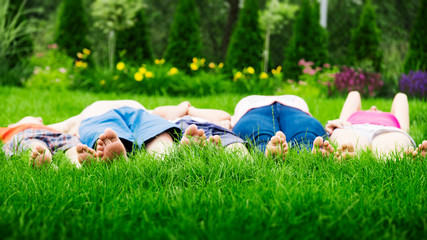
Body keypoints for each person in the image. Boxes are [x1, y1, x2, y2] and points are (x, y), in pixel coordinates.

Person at [49, 100, 183, 162]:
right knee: (105, 134)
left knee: (158, 128)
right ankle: (117, 157)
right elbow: (60, 126)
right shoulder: (83, 115)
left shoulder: (89, 110)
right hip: (99, 116)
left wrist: (184, 107)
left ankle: (162, 156)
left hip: (139, 113)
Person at [325, 91, 426, 158]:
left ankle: (399, 161)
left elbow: (401, 98)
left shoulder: (392, 118)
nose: (373, 107)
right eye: (370, 109)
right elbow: (353, 95)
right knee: (347, 142)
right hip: (353, 128)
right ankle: (346, 156)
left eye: (377, 109)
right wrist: (331, 126)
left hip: (388, 131)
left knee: (390, 148)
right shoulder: (350, 118)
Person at [231, 95, 334, 158]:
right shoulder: (296, 99)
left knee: (260, 137)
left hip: (252, 110)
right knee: (305, 137)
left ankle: (266, 151)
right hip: (295, 109)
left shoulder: (246, 101)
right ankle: (310, 150)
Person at [152, 101, 248, 155]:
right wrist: (183, 106)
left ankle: (243, 162)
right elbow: (158, 113)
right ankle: (192, 149)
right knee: (185, 136)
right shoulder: (171, 118)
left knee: (234, 143)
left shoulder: (197, 113)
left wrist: (190, 109)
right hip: (182, 126)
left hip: (214, 126)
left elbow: (224, 116)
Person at [1, 116, 96, 168]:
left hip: (53, 133)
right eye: (34, 118)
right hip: (28, 133)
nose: (40, 119)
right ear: (11, 125)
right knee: (33, 144)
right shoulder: (11, 129)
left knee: (71, 142)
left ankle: (77, 158)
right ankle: (43, 157)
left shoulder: (49, 127)